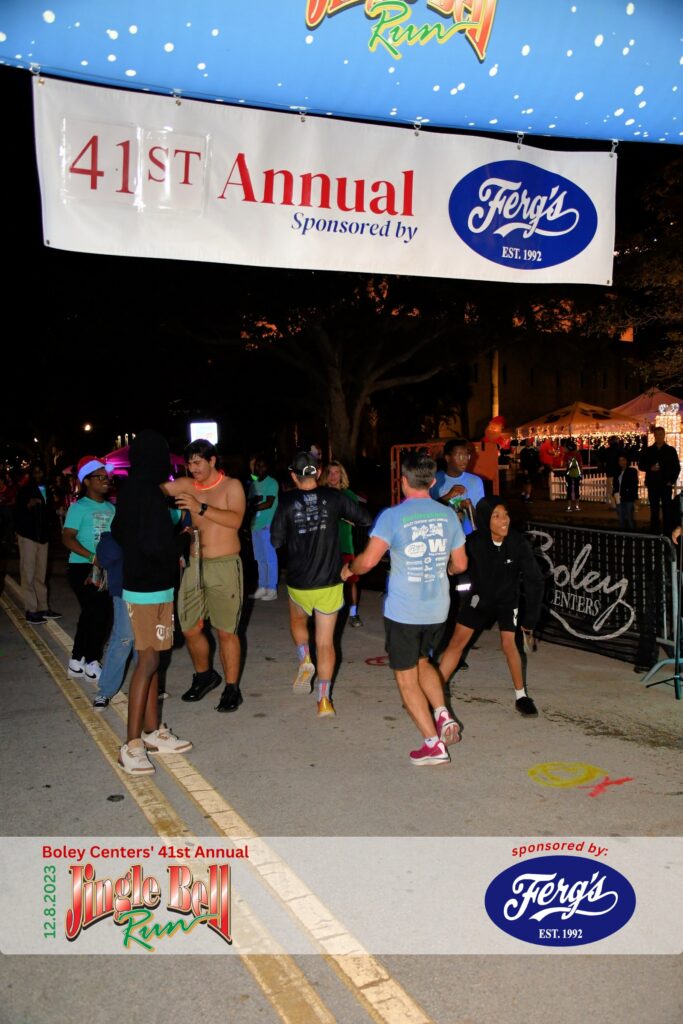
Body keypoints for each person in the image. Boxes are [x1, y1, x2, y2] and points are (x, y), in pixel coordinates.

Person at [342, 452, 467, 765]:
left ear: (402, 481)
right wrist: (444, 569)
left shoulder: (393, 516)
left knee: (406, 676)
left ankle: (433, 744)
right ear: (433, 481)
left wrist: (349, 570)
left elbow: (368, 562)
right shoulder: (448, 515)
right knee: (423, 660)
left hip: (405, 611)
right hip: (438, 608)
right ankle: (442, 713)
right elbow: (461, 564)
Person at [111, 431, 191, 774]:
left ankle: (152, 731)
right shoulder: (150, 494)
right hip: (148, 587)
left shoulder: (130, 491)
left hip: (148, 584)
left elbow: (119, 531)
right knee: (147, 660)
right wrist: (183, 539)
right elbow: (160, 546)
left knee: (155, 657)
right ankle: (131, 745)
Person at [270, 452, 372, 717]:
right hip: (330, 581)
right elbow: (365, 519)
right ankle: (324, 701)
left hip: (299, 581)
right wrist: (339, 518)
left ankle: (305, 657)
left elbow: (276, 541)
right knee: (326, 643)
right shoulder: (334, 497)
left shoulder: (287, 501)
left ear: (293, 476)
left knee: (298, 622)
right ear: (317, 472)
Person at [438, 498, 545, 717]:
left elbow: (535, 580)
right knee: (457, 643)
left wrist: (530, 620)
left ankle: (521, 696)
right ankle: (434, 691)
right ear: (486, 520)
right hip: (479, 599)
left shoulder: (518, 543)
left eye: (505, 514)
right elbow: (453, 566)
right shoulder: (473, 542)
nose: (504, 520)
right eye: (496, 516)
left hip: (507, 600)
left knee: (509, 644)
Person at [163, 439, 246, 713]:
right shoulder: (187, 485)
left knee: (226, 631)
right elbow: (156, 489)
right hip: (195, 564)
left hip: (225, 564)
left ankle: (231, 688)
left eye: (198, 462)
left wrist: (199, 507)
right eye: (189, 463)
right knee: (189, 627)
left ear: (212, 460)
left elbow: (236, 520)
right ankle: (204, 676)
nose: (193, 468)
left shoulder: (231, 486)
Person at [62, 456, 115, 680]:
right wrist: (92, 557)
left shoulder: (112, 508)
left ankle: (78, 660)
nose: (106, 480)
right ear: (86, 481)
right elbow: (67, 537)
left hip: (106, 567)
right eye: (100, 477)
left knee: (97, 613)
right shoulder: (79, 508)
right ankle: (91, 660)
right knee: (96, 612)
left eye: (107, 477)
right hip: (82, 566)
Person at [91, 531, 134, 710]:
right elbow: (105, 557)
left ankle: (150, 685)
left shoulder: (154, 524)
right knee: (123, 638)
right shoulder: (117, 531)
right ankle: (106, 690)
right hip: (125, 591)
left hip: (152, 591)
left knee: (147, 642)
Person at [319, 460, 365, 626]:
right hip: (325, 545)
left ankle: (353, 614)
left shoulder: (349, 495)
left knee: (350, 580)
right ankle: (328, 612)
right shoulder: (321, 493)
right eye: (330, 473)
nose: (333, 476)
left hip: (344, 544)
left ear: (341, 475)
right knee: (327, 581)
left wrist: (339, 515)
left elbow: (356, 519)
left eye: (336, 472)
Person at [14, 462, 61, 624]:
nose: (38, 475)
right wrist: (28, 505)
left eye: (40, 472)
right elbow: (17, 512)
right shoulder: (25, 490)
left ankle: (43, 607)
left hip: (43, 537)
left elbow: (50, 513)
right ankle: (31, 609)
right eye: (35, 472)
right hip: (28, 535)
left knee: (41, 574)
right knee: (28, 572)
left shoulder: (48, 489)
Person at [430, 439, 485, 535]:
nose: (464, 460)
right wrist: (448, 496)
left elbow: (480, 517)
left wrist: (468, 507)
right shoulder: (434, 480)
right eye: (459, 456)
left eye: (467, 455)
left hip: (467, 536)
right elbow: (427, 511)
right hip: (441, 535)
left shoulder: (475, 481)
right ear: (447, 458)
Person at [248, 455, 279, 601]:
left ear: (267, 467)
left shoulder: (272, 483)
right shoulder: (253, 484)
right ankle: (262, 586)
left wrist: (252, 507)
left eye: (262, 465)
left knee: (270, 558)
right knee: (260, 558)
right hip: (255, 525)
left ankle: (272, 589)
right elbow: (250, 501)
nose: (259, 468)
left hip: (267, 525)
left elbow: (269, 503)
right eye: (257, 465)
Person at [638, 427, 680, 535]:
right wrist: (650, 468)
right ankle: (654, 533)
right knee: (654, 510)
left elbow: (676, 467)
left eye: (661, 434)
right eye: (657, 434)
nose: (659, 436)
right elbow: (641, 465)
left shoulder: (670, 450)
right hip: (653, 484)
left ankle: (667, 533)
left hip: (666, 485)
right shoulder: (648, 450)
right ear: (654, 436)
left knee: (667, 510)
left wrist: (671, 480)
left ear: (664, 435)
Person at [612, 453, 639, 531]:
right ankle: (623, 534)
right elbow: (615, 484)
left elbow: (634, 484)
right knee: (621, 518)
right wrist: (614, 493)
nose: (621, 462)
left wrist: (635, 497)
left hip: (628, 498)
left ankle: (632, 534)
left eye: (623, 460)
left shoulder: (632, 471)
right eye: (619, 460)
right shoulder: (617, 472)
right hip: (618, 498)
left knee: (629, 517)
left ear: (627, 461)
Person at [563, 440, 582, 511]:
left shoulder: (566, 455)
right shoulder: (577, 454)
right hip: (577, 474)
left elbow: (564, 465)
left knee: (569, 489)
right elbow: (580, 465)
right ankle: (577, 506)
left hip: (569, 474)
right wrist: (581, 473)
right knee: (577, 489)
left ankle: (569, 506)